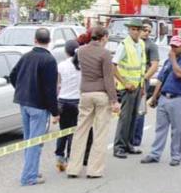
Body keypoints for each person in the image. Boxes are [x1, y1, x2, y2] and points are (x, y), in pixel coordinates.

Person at [66, 26, 121, 178]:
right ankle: (94, 170)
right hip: (101, 94)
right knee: (100, 133)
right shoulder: (105, 53)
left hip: (85, 93)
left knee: (81, 131)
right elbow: (108, 78)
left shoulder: (81, 51)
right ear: (104, 37)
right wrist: (114, 100)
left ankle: (73, 168)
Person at [8, 28, 59, 186]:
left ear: (35, 40)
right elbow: (50, 89)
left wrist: (21, 89)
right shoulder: (49, 60)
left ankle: (31, 170)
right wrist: (55, 111)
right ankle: (29, 176)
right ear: (49, 41)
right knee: (35, 142)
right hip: (39, 105)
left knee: (28, 139)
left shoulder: (26, 57)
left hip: (24, 102)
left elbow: (12, 75)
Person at [140, 36, 181, 167]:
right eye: (172, 46)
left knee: (177, 130)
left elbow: (179, 74)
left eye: (176, 46)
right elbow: (160, 80)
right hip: (164, 98)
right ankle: (155, 154)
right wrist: (154, 97)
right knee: (160, 128)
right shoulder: (167, 61)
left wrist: (173, 60)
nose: (173, 49)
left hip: (178, 99)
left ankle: (176, 156)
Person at [53, 39, 93, 172]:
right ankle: (71, 158)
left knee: (63, 131)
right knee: (75, 132)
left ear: (66, 51)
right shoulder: (83, 65)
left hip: (63, 102)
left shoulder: (61, 65)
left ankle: (59, 157)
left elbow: (57, 85)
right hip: (77, 102)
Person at [111, 18, 147, 158]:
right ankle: (119, 147)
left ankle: (129, 144)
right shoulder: (124, 45)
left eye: (138, 29)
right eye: (133, 29)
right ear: (129, 30)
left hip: (137, 86)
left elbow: (142, 66)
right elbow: (113, 66)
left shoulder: (141, 44)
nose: (136, 32)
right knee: (125, 118)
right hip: (127, 88)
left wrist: (142, 85)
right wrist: (125, 82)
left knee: (133, 117)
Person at [132, 20, 161, 148]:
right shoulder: (131, 43)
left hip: (143, 81)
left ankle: (136, 139)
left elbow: (154, 65)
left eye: (149, 31)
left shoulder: (151, 46)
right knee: (129, 111)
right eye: (145, 29)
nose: (147, 33)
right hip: (129, 81)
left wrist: (144, 79)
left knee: (140, 110)